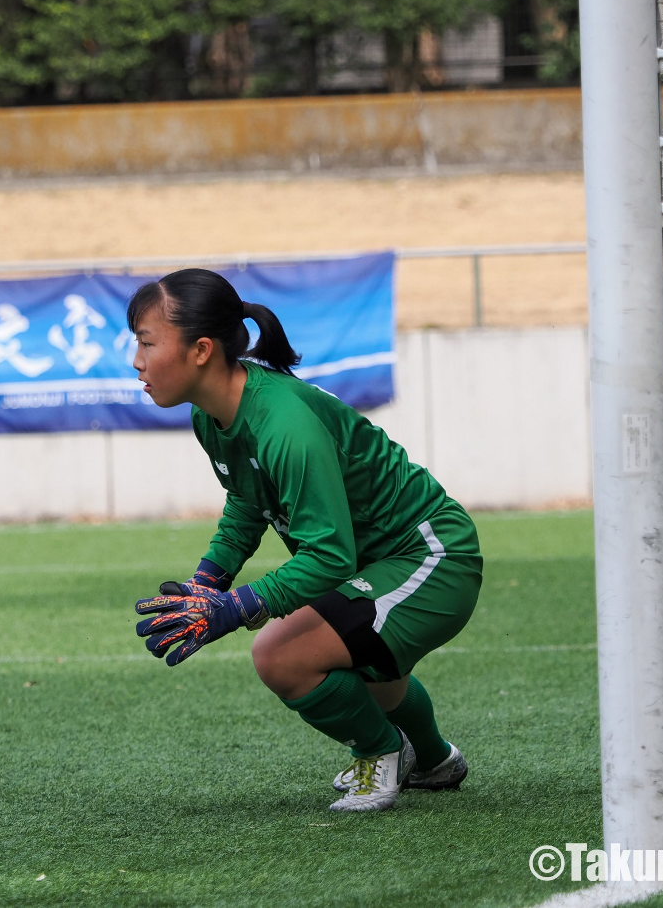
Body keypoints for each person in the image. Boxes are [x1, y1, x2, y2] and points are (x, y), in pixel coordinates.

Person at [130, 270, 483, 812]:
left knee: (281, 654)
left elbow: (329, 556)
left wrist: (238, 607)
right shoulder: (212, 416)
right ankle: (435, 761)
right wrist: (208, 583)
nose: (137, 361)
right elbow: (249, 503)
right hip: (379, 563)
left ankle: (381, 755)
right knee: (365, 668)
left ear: (200, 350)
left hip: (431, 558)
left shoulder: (284, 422)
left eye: (146, 342)